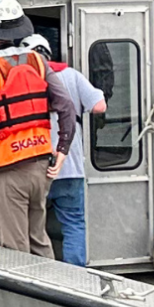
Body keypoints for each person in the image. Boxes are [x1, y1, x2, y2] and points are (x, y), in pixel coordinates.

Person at [0, 0, 75, 257]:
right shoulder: (37, 60)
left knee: (15, 251)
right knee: (39, 240)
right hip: (41, 167)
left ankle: (28, 297)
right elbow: (66, 106)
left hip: (9, 172)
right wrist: (63, 148)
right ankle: (56, 290)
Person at [29, 33, 108, 267]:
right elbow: (99, 106)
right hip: (70, 164)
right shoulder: (71, 75)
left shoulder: (22, 79)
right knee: (74, 222)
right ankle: (75, 274)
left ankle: (37, 271)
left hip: (34, 164)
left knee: (32, 223)